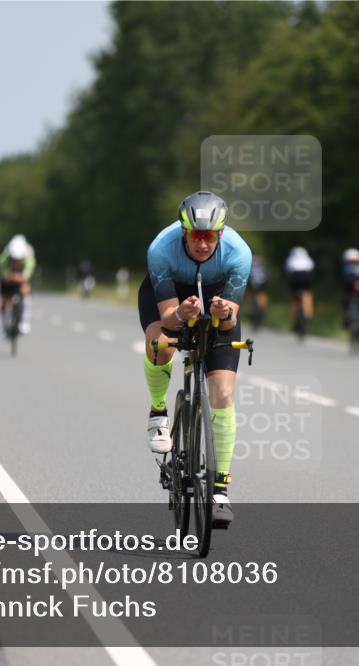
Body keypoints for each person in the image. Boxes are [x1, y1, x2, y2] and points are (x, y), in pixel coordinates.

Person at [139, 191, 251, 527]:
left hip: (217, 296)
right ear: (184, 231)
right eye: (195, 235)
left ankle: (220, 490)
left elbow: (229, 322)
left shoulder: (239, 253)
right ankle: (158, 411)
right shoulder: (161, 249)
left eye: (210, 236)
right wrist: (181, 314)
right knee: (161, 344)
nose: (202, 243)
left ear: (221, 232)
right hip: (171, 295)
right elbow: (168, 319)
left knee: (223, 393)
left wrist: (223, 313)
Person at [0, 234, 36, 335]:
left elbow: (26, 276)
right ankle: (4, 324)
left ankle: (24, 320)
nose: (16, 261)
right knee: (4, 299)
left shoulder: (28, 257)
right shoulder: (4, 257)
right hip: (9, 276)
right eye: (14, 259)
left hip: (21, 276)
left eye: (18, 259)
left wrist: (21, 277)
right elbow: (4, 273)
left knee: (25, 291)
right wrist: (8, 276)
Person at [285, 246, 315, 337]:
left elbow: (287, 272)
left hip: (295, 278)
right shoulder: (308, 260)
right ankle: (307, 315)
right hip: (306, 277)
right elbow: (313, 272)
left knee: (294, 298)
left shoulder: (290, 259)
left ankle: (294, 319)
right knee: (307, 295)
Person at [247, 254, 269, 329]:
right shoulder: (262, 266)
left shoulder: (250, 264)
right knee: (262, 293)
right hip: (262, 282)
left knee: (250, 292)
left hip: (252, 281)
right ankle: (262, 309)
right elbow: (267, 276)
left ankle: (250, 308)